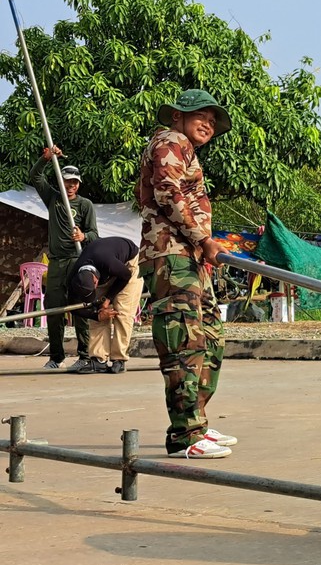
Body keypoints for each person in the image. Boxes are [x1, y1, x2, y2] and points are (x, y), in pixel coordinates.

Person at [135, 89, 235, 459]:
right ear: (177, 116)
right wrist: (202, 238)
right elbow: (168, 193)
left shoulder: (185, 148)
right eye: (200, 116)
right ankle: (186, 435)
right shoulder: (170, 141)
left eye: (212, 120)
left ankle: (197, 421)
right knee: (184, 342)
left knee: (210, 336)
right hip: (171, 256)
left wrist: (203, 245)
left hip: (189, 258)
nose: (207, 124)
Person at [30, 146, 99, 371]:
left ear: (79, 184)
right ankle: (56, 357)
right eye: (67, 181)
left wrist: (84, 235)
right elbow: (35, 176)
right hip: (57, 262)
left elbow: (95, 234)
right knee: (54, 310)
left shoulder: (85, 205)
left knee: (80, 308)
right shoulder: (53, 198)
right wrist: (46, 159)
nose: (71, 186)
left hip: (78, 260)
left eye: (75, 182)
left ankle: (84, 355)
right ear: (61, 181)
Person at [68, 236, 144, 374]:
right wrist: (96, 315)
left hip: (128, 265)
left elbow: (125, 276)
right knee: (100, 313)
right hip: (106, 267)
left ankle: (119, 359)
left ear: (95, 281)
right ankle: (98, 360)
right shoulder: (73, 277)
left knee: (122, 311)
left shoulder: (107, 262)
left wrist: (108, 299)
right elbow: (72, 308)